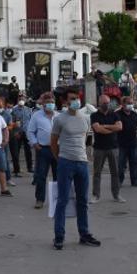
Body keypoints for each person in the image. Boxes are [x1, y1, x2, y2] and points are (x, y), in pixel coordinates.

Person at [51, 90, 100, 250]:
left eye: (77, 98)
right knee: (62, 201)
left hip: (82, 163)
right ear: (65, 101)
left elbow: (84, 138)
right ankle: (59, 236)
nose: (76, 101)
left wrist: (81, 157)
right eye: (72, 99)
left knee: (83, 201)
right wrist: (60, 159)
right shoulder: (59, 119)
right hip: (66, 162)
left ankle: (84, 234)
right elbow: (53, 142)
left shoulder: (85, 118)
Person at [89, 95, 123, 204]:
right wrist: (111, 129)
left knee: (115, 172)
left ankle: (116, 195)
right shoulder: (94, 115)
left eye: (108, 103)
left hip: (113, 147)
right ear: (99, 103)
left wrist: (105, 126)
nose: (107, 105)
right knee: (97, 173)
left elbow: (119, 127)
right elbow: (98, 129)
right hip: (99, 148)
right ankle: (96, 195)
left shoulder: (114, 114)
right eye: (104, 103)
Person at [27, 92, 57, 209]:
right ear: (43, 104)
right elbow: (30, 131)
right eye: (48, 102)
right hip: (43, 149)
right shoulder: (37, 116)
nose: (50, 104)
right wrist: (34, 143)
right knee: (41, 176)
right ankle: (39, 199)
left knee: (58, 176)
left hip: (57, 149)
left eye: (52, 102)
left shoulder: (59, 116)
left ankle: (57, 199)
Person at [116, 96, 137, 188]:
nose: (130, 105)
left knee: (134, 163)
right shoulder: (118, 114)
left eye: (131, 103)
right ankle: (119, 181)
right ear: (123, 104)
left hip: (133, 142)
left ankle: (134, 181)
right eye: (128, 103)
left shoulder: (134, 114)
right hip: (121, 143)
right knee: (121, 164)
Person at [0, 97, 16, 186]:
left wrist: (4, 128)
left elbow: (10, 126)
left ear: (3, 103)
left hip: (3, 140)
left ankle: (8, 179)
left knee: (5, 159)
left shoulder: (7, 114)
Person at [10, 94, 33, 175]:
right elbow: (11, 123)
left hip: (26, 132)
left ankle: (30, 167)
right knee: (16, 152)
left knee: (28, 151)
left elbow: (31, 122)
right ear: (17, 99)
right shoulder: (14, 110)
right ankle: (16, 169)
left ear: (26, 100)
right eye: (20, 98)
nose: (21, 100)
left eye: (23, 98)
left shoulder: (29, 110)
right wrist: (14, 131)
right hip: (17, 133)